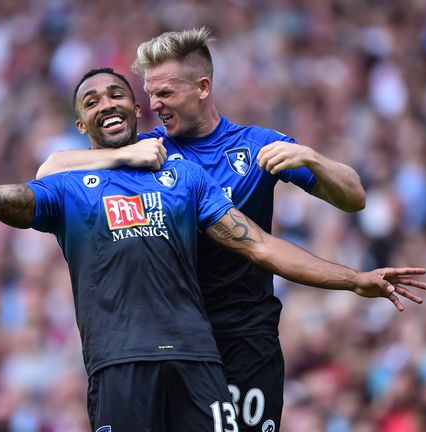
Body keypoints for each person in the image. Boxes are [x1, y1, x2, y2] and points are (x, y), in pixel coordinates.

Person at [0, 68, 426, 431]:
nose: (106, 104)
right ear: (82, 127)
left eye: (116, 94)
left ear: (138, 109)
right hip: (120, 365)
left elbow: (262, 247)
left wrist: (355, 279)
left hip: (197, 361)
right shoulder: (70, 187)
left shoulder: (182, 176)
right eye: (91, 102)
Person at [34, 29, 370, 430]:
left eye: (164, 94)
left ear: (202, 87)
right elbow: (50, 170)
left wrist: (312, 158)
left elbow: (353, 197)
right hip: (180, 344)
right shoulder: (147, 149)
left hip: (245, 338)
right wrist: (124, 153)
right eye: (149, 93)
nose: (153, 105)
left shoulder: (256, 147)